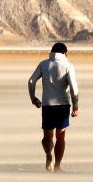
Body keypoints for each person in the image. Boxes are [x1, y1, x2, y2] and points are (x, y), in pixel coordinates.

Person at [27, 41, 80, 172]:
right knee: (60, 136)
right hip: (63, 105)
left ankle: (48, 155)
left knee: (47, 135)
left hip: (47, 105)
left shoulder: (43, 64)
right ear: (65, 53)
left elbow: (31, 81)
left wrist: (33, 98)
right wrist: (76, 106)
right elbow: (73, 87)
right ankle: (57, 166)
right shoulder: (68, 66)